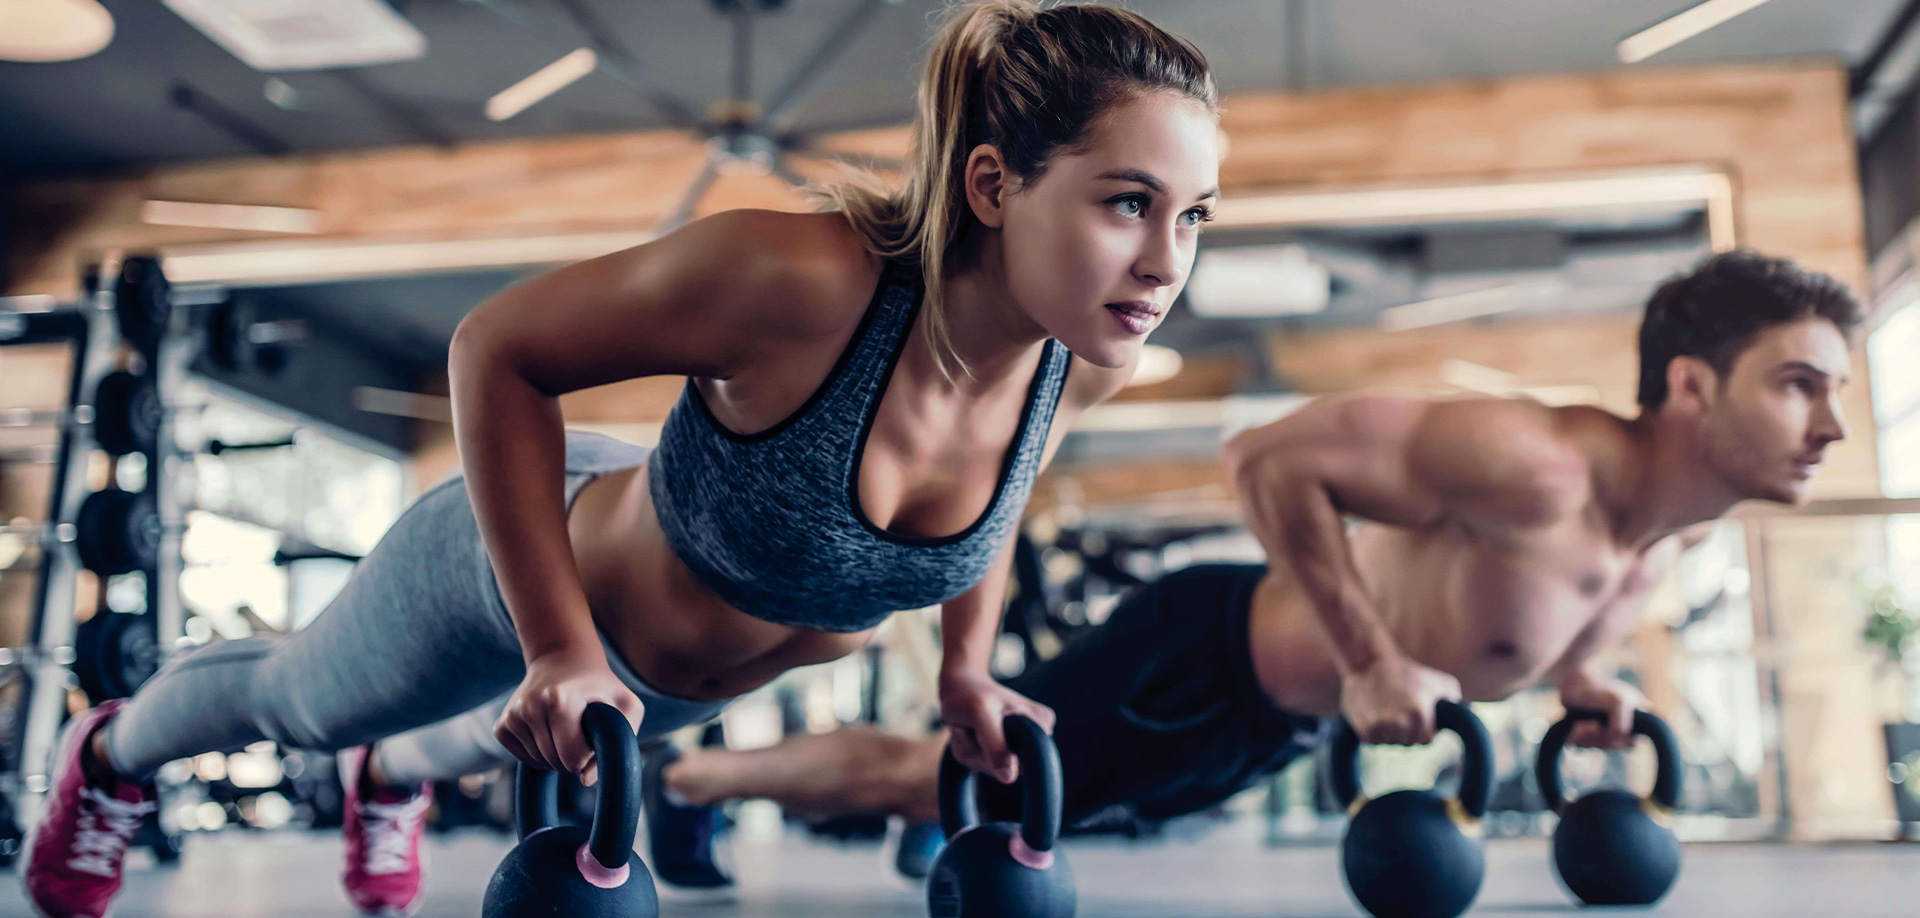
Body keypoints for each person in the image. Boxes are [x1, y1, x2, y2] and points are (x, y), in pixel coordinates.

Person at [22, 3, 1223, 916]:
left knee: (486, 730)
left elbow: (993, 511)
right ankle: (114, 753)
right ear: (993, 185)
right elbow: (496, 348)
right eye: (1129, 202)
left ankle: (395, 780)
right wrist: (556, 645)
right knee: (298, 708)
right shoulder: (798, 283)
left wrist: (966, 670)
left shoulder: (1079, 360)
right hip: (520, 565)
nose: (1167, 261)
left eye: (1195, 216)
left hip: (637, 686)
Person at [645, 249, 1858, 877]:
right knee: (930, 780)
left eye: (1840, 392)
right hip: (1201, 659)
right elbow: (1265, 455)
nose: (1834, 426)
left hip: (1257, 725)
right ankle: (691, 786)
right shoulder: (1532, 460)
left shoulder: (1674, 531)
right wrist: (1373, 655)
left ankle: (716, 785)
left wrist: (1584, 679)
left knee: (973, 799)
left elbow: (1547, 603)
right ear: (1693, 387)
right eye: (1800, 385)